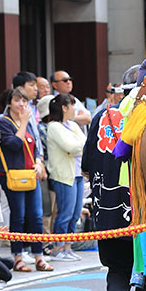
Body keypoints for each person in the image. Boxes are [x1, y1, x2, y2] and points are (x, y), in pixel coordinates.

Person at [82, 69, 146, 291]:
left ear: (120, 90)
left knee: (116, 267)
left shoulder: (100, 117)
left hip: (107, 211)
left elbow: (87, 168)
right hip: (143, 211)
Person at [0, 87, 52, 272]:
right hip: (12, 176)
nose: (22, 104)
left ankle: (39, 257)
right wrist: (22, 123)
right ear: (9, 103)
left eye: (24, 101)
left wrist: (38, 162)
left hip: (30, 174)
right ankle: (18, 257)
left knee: (36, 216)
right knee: (18, 216)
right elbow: (13, 144)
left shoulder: (27, 122)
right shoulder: (3, 121)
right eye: (17, 100)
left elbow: (34, 145)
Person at [44, 93, 85, 261]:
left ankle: (68, 247)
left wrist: (78, 146)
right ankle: (58, 248)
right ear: (64, 108)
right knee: (65, 213)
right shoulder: (54, 126)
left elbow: (82, 143)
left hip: (77, 174)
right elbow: (70, 147)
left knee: (75, 214)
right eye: (72, 105)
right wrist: (79, 146)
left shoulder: (73, 125)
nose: (75, 108)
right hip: (63, 176)